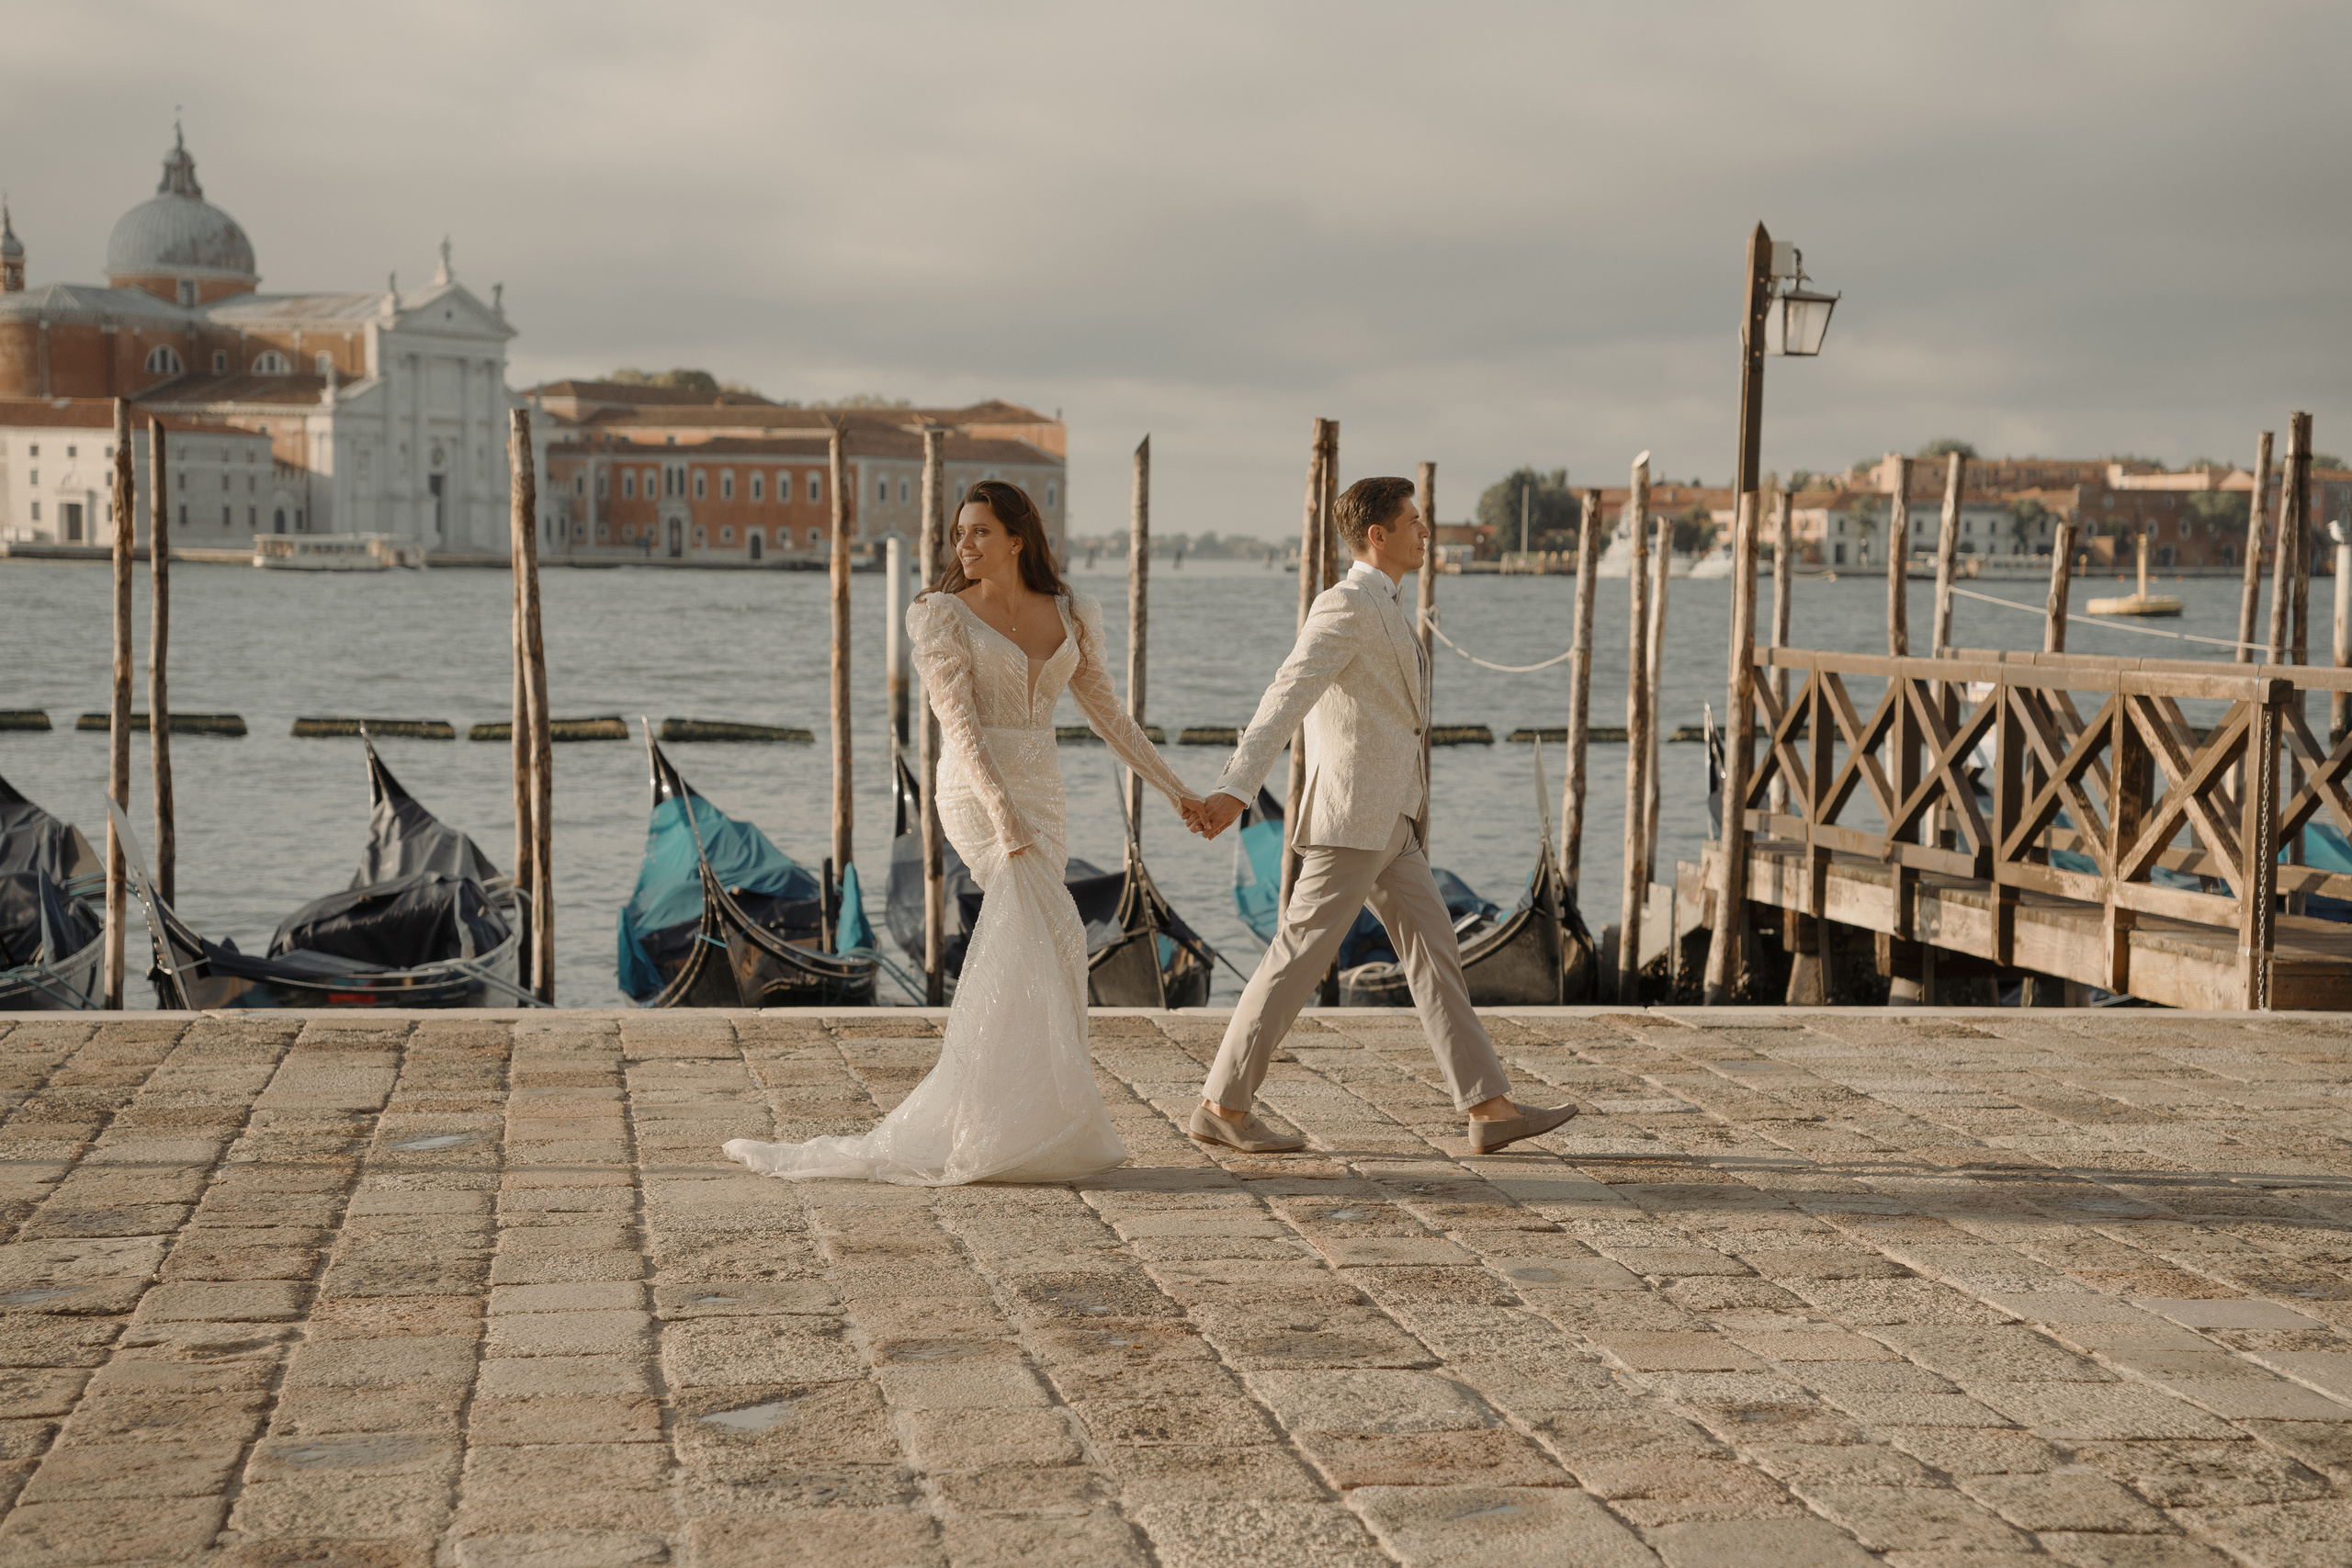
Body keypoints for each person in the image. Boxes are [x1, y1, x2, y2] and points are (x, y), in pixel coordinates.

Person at [723, 480, 1204, 1186]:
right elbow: (962, 727)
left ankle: (1028, 1122)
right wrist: (1002, 812)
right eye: (959, 534)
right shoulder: (942, 614)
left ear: (1017, 538)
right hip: (977, 794)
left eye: (980, 532)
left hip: (1045, 793)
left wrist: (1177, 791)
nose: (965, 546)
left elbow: (1111, 718)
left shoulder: (1069, 613)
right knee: (1058, 935)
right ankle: (1004, 1124)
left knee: (1043, 949)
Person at [1182, 476, 1579, 1156]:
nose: (1425, 532)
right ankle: (1222, 1102)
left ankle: (1488, 1105)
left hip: (1392, 819)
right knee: (1297, 958)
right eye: (1414, 522)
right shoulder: (1345, 605)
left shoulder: (1388, 604)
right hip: (1352, 817)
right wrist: (1237, 789)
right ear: (1379, 535)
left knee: (1434, 951)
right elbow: (1286, 696)